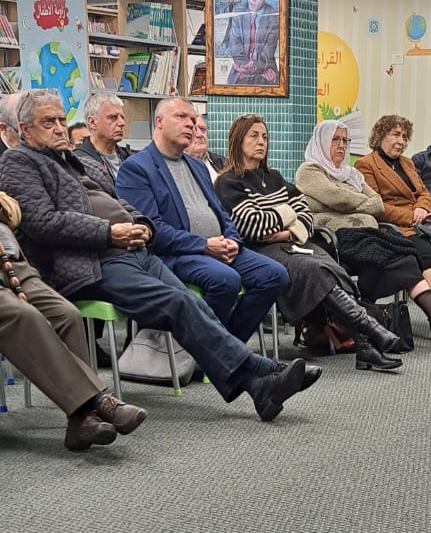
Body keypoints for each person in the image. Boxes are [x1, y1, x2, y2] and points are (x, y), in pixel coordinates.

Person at [0, 91, 321, 423]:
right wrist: (109, 232)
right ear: (24, 129)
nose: (59, 128)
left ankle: (259, 388)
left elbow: (119, 203)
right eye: (48, 122)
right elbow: (43, 223)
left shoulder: (69, 160)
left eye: (61, 120)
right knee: (178, 303)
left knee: (193, 304)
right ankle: (263, 369)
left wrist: (142, 225)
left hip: (132, 249)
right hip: (91, 262)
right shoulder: (18, 161)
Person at [215, 115, 403, 373]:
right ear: (237, 141)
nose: (261, 142)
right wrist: (287, 214)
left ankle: (366, 344)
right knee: (313, 269)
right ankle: (370, 332)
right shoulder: (229, 182)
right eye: (254, 136)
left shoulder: (274, 177)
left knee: (331, 266)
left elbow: (305, 216)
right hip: (259, 252)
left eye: (265, 137)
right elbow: (252, 226)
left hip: (289, 244)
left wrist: (286, 231)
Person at [116, 97, 287, 342]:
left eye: (193, 120)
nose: (191, 125)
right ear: (159, 121)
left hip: (218, 246)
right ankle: (215, 349)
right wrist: (204, 245)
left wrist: (232, 240)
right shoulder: (136, 168)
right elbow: (153, 230)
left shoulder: (197, 166)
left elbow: (220, 212)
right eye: (181, 117)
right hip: (178, 253)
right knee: (225, 280)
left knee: (275, 275)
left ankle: (226, 346)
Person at [0, 189, 146, 451]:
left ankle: (81, 421)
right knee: (23, 316)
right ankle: (97, 403)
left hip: (12, 266)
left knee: (66, 314)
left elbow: (13, 213)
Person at [355, 115, 431, 348]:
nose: (401, 141)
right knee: (429, 257)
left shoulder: (407, 163)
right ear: (380, 136)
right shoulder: (366, 165)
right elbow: (377, 206)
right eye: (395, 135)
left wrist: (421, 208)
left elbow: (424, 193)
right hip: (395, 228)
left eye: (404, 136)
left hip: (420, 223)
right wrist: (411, 215)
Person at [296, 121, 384, 231]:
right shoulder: (309, 170)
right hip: (327, 235)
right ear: (321, 142)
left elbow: (378, 205)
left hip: (366, 232)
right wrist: (364, 200)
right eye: (335, 139)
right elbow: (338, 198)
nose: (341, 145)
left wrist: (340, 207)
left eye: (345, 140)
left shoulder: (352, 174)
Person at [221, 0, 279, 87]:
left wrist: (255, 68)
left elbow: (268, 52)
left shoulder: (273, 17)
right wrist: (246, 65)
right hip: (241, 70)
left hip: (265, 70)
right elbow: (235, 45)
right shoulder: (239, 11)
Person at [74, 93, 131, 190]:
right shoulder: (79, 162)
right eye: (113, 117)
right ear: (92, 122)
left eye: (122, 117)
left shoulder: (129, 157)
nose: (122, 123)